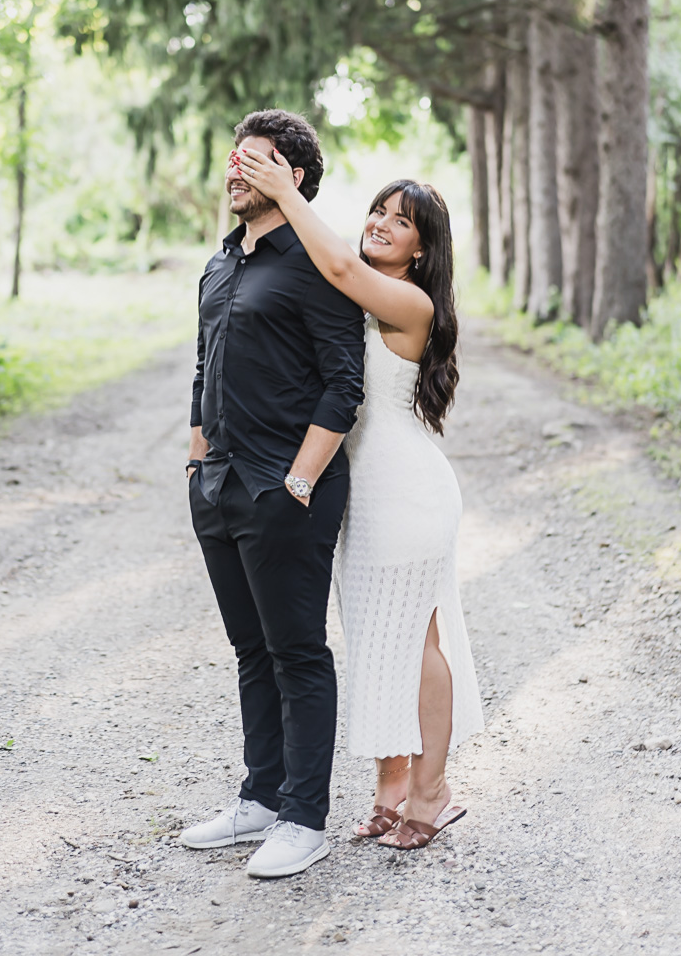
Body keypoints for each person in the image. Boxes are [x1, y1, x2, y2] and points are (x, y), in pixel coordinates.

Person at [235, 145, 485, 852]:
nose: (380, 224)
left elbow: (339, 262)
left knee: (418, 639)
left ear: (422, 248)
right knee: (376, 640)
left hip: (408, 492)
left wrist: (286, 189)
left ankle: (433, 789)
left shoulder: (410, 302)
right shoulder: (352, 294)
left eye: (400, 221)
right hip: (363, 500)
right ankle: (390, 787)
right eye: (376, 210)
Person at [179, 110, 365, 879]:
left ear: (291, 177)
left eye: (254, 161)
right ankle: (258, 798)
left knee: (297, 653)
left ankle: (304, 818)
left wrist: (297, 482)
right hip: (218, 488)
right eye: (233, 157)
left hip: (288, 491)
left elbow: (343, 385)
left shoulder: (316, 266)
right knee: (249, 650)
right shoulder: (221, 265)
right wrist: (196, 466)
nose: (234, 169)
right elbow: (203, 372)